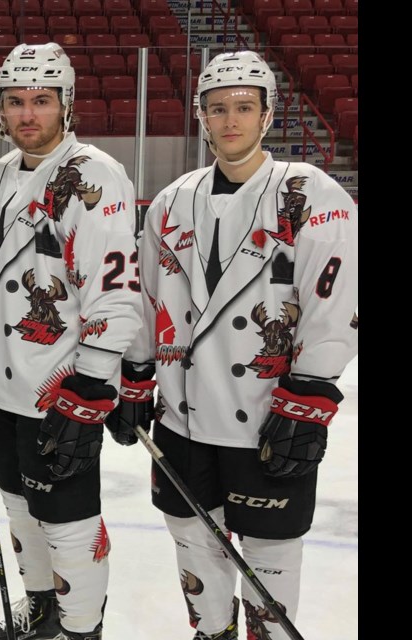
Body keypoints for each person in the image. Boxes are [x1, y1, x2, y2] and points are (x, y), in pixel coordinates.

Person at [118, 50, 358, 639]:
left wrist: (310, 393)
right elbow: (149, 297)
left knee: (270, 552)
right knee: (193, 541)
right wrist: (136, 374)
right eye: (218, 108)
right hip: (183, 416)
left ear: (268, 113)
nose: (231, 120)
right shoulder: (172, 201)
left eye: (244, 108)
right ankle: (211, 632)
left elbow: (337, 304)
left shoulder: (310, 195)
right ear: (201, 116)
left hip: (269, 418)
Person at [0, 43, 143, 640]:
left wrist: (92, 383)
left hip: (60, 389)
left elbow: (113, 290)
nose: (28, 114)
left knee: (68, 521)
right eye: (15, 102)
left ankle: (82, 629)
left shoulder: (95, 175)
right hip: (0, 384)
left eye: (41, 101)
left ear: (67, 105)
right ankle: (42, 611)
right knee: (18, 507)